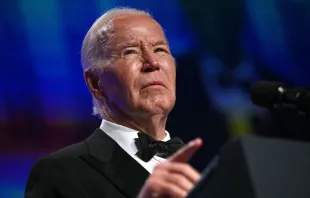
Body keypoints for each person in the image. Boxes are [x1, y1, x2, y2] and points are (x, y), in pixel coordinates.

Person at [25, 7, 203, 198]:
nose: (153, 62)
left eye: (160, 50)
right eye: (130, 52)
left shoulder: (204, 164)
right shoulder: (59, 173)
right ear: (95, 84)